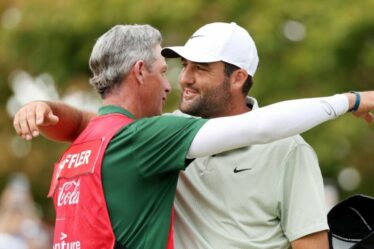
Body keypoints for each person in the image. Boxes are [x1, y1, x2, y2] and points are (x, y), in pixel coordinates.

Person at [13, 23, 374, 249]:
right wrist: (352, 100)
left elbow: (309, 243)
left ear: (237, 78)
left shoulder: (288, 149)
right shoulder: (160, 133)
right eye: (181, 65)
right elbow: (97, 125)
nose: (182, 79)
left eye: (200, 68)